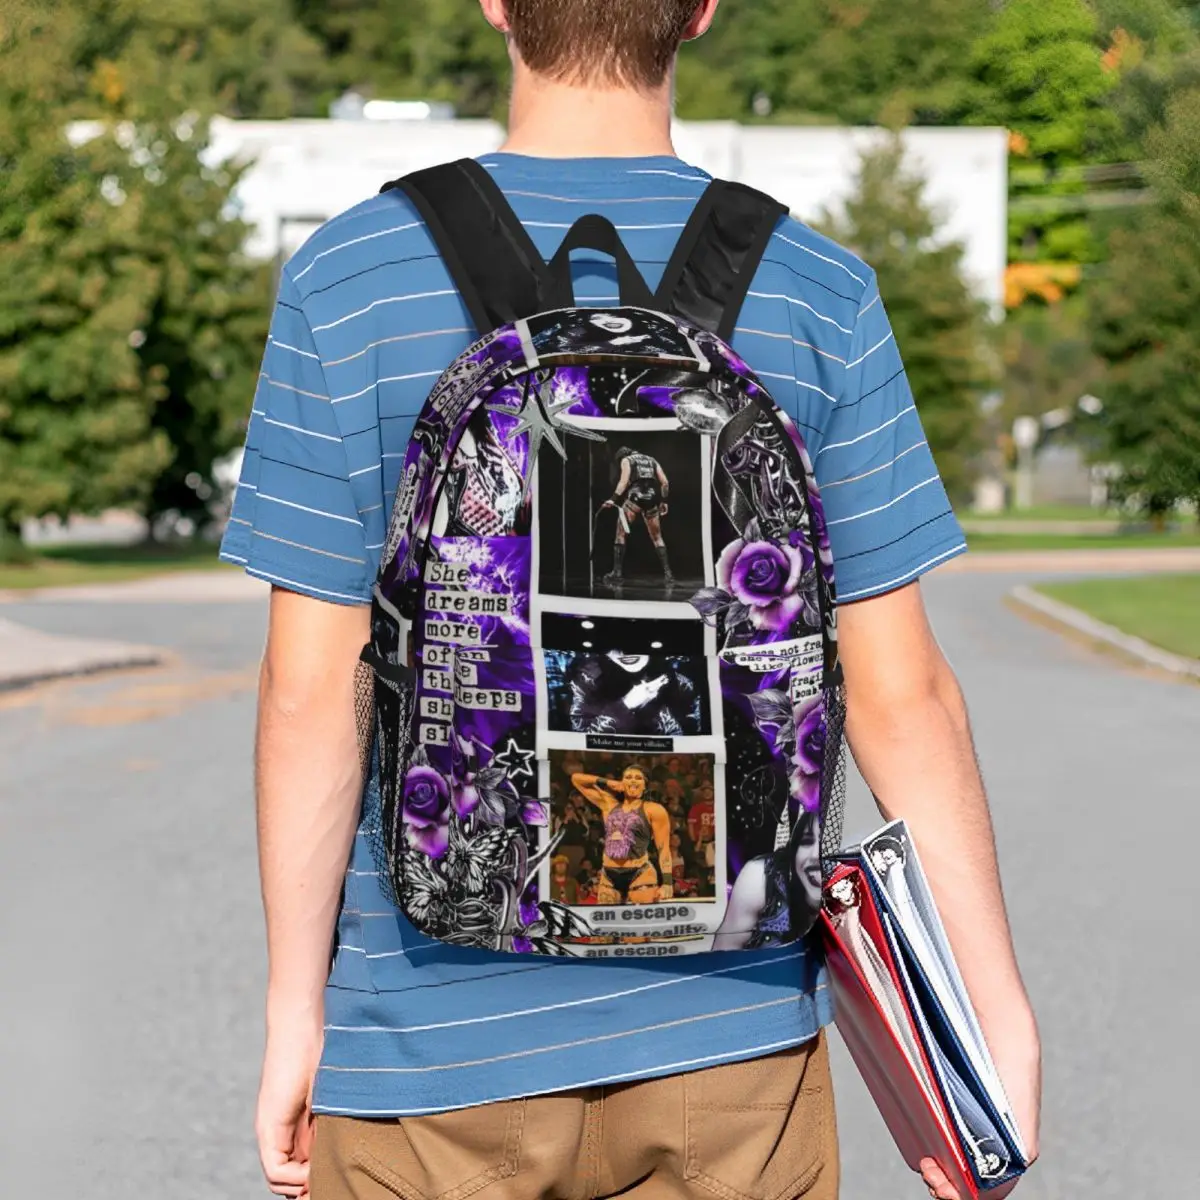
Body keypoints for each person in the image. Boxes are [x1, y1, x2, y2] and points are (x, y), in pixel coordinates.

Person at [223, 3, 1040, 1197]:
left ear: (497, 3)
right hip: (734, 1042)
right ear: (701, 9)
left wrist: (300, 1013)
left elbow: (309, 692)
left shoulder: (350, 280)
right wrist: (987, 1013)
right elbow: (903, 694)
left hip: (429, 1041)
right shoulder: (819, 289)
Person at [714, 811, 824, 951]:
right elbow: (723, 957)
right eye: (806, 841)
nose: (815, 855)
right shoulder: (761, 878)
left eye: (826, 842)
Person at [570, 765, 673, 904]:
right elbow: (576, 779)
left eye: (638, 778)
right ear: (622, 782)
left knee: (643, 922)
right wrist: (608, 782)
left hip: (640, 873)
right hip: (609, 874)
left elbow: (663, 848)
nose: (633, 781)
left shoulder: (654, 810)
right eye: (628, 777)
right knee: (608, 923)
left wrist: (667, 883)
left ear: (645, 785)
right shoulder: (609, 805)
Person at [602, 444, 672, 586]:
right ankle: (668, 574)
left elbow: (623, 482)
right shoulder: (652, 460)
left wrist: (613, 499)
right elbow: (664, 482)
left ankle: (617, 573)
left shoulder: (627, 460)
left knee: (620, 534)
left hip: (634, 499)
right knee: (657, 538)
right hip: (652, 500)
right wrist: (663, 501)